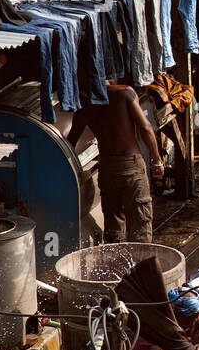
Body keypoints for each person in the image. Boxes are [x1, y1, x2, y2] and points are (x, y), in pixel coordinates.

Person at [67, 82, 164, 243]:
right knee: (140, 226)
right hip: (130, 165)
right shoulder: (124, 93)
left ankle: (115, 265)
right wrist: (157, 160)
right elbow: (145, 128)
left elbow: (69, 144)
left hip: (106, 168)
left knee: (113, 228)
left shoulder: (84, 107)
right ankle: (141, 266)